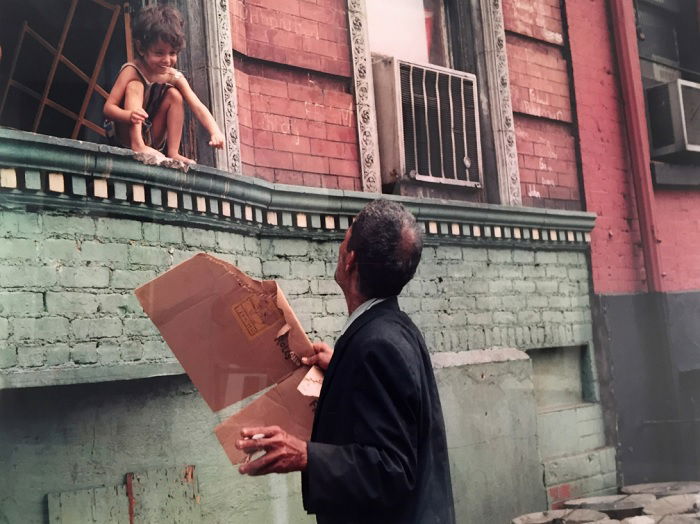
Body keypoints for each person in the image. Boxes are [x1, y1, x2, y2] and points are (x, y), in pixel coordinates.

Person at [236, 199, 456, 524]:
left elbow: (393, 469)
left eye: (345, 237)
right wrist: (341, 365)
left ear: (350, 259)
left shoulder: (377, 345)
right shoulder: (393, 330)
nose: (341, 246)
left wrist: (306, 454)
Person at [103, 5, 224, 163]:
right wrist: (129, 115)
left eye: (172, 53)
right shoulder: (131, 70)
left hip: (153, 137)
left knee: (175, 95)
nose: (167, 60)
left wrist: (215, 131)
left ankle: (173, 152)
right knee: (135, 86)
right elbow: (108, 109)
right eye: (159, 53)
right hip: (124, 135)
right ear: (141, 48)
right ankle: (138, 144)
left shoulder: (173, 76)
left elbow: (198, 106)